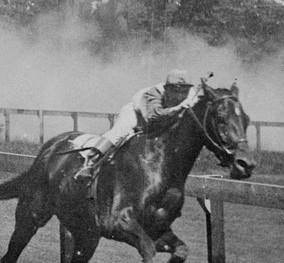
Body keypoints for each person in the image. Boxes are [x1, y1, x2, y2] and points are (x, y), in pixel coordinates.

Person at [73, 69, 202, 184]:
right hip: (139, 115)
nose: (179, 96)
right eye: (175, 91)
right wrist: (177, 108)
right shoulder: (153, 93)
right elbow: (154, 116)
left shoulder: (192, 96)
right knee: (121, 131)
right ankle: (91, 162)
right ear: (166, 88)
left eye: (184, 91)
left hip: (162, 119)